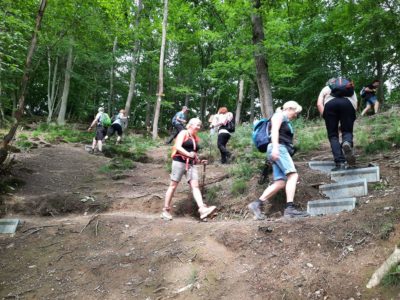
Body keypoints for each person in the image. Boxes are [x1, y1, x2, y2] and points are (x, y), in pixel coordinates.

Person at [248, 101, 308, 219]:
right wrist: (275, 148)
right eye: (296, 112)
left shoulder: (283, 118)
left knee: (280, 182)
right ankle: (290, 209)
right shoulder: (279, 115)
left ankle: (256, 204)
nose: (296, 115)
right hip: (278, 148)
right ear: (289, 108)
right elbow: (274, 131)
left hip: (278, 148)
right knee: (293, 175)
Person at [161, 118, 217, 221]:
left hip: (191, 164)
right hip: (179, 161)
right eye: (197, 125)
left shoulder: (195, 138)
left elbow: (193, 153)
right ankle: (166, 210)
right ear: (190, 125)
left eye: (200, 125)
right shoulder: (183, 133)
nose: (199, 127)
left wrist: (199, 161)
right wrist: (188, 154)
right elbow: (178, 146)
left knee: (195, 186)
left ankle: (202, 209)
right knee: (173, 186)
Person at [317, 77, 357, 170]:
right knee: (347, 131)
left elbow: (319, 104)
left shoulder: (326, 88)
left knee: (333, 135)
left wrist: (326, 116)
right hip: (348, 104)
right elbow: (355, 103)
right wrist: (351, 117)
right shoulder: (348, 87)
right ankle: (347, 142)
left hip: (330, 105)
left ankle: (340, 162)